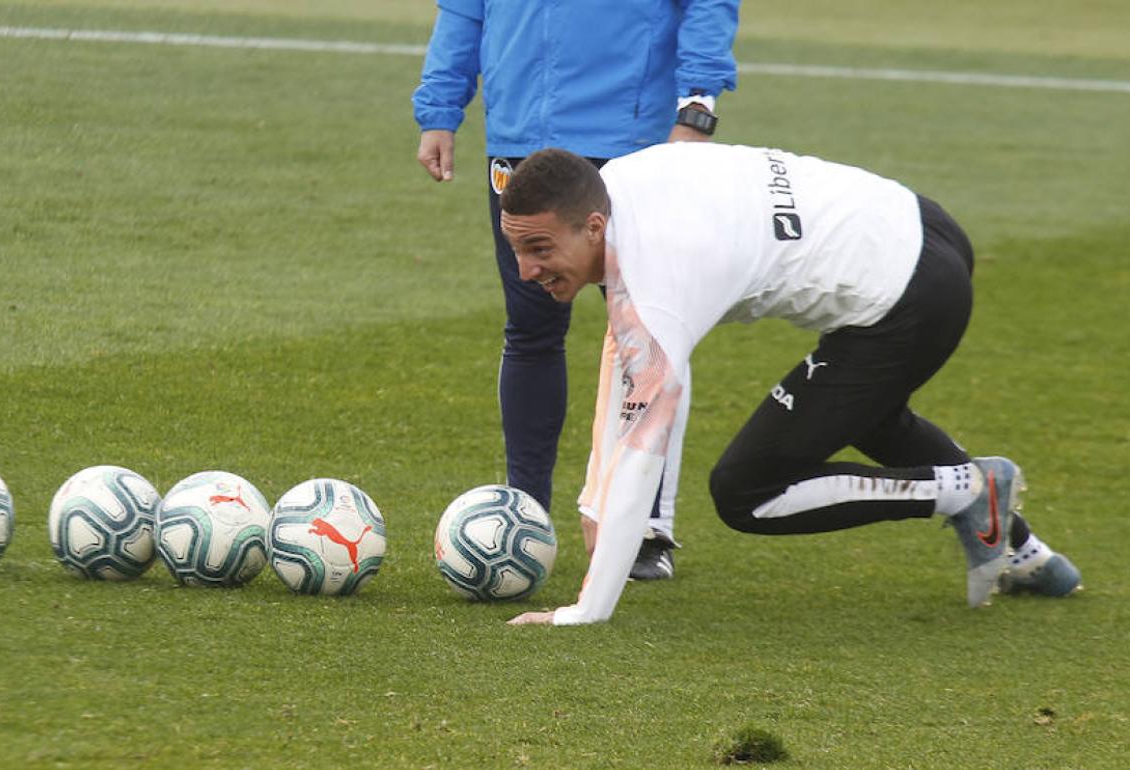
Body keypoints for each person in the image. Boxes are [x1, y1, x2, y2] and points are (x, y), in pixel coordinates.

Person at [496, 143, 1082, 626]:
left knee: (747, 489)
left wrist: (587, 610)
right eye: (516, 248)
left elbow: (645, 437)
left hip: (912, 299)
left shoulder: (657, 275)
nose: (526, 271)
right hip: (921, 224)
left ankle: (967, 491)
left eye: (539, 248)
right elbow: (626, 357)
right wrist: (594, 503)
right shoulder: (617, 182)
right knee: (865, 413)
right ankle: (1029, 556)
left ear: (593, 227)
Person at [412, 0, 741, 580]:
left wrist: (697, 103)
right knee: (532, 328)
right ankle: (525, 514)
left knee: (647, 334)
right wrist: (439, 107)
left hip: (630, 135)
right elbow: (465, 9)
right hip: (520, 136)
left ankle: (642, 526)